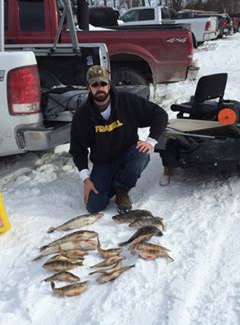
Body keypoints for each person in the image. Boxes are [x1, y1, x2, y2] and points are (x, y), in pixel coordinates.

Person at [69, 65, 168, 214]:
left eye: (103, 83)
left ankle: (122, 189)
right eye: (95, 84)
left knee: (140, 154)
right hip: (104, 162)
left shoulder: (127, 101)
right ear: (89, 88)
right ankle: (112, 182)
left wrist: (151, 141)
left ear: (109, 85)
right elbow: (77, 149)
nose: (99, 88)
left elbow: (159, 114)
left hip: (128, 154)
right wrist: (86, 179)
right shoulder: (82, 116)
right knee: (93, 207)